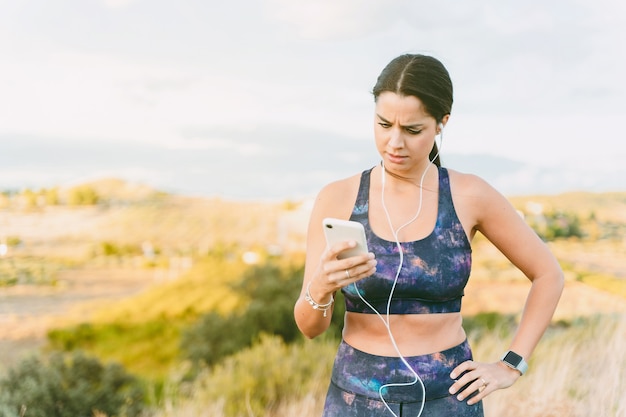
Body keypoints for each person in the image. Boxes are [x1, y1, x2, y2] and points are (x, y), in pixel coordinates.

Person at [293, 53, 564, 417]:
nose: (394, 142)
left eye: (412, 130)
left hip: (448, 399)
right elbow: (310, 328)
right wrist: (321, 287)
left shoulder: (469, 195)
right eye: (384, 124)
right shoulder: (338, 197)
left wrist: (511, 364)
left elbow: (548, 274)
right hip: (355, 401)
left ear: (441, 123)